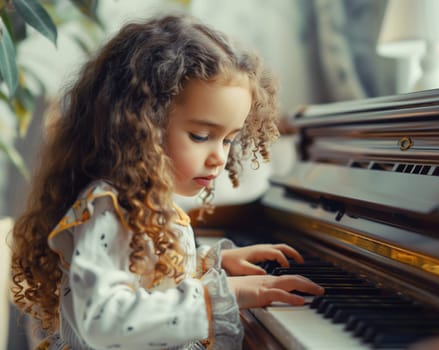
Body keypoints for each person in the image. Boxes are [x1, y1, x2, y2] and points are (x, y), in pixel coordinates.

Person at [9, 14, 324, 349]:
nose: (219, 157)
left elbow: (144, 274)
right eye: (201, 135)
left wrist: (212, 262)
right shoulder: (109, 205)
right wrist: (224, 292)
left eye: (229, 139)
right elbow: (102, 320)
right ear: (140, 126)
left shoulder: (139, 201)